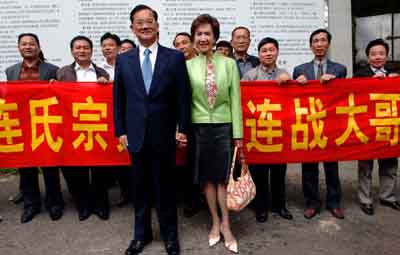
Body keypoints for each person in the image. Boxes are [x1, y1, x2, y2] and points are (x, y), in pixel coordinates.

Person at [113, 5, 191, 255]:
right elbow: (119, 98)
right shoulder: (124, 59)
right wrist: (120, 131)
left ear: (157, 26)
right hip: (135, 135)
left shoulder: (174, 57)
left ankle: (170, 236)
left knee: (165, 188)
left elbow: (183, 97)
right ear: (132, 28)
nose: (144, 26)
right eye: (139, 22)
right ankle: (141, 235)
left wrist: (183, 129)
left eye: (149, 22)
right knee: (140, 188)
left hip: (165, 134)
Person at [186, 14, 242, 253]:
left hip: (223, 127)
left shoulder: (228, 64)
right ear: (193, 38)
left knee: (222, 178)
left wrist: (237, 133)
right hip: (199, 127)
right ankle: (215, 221)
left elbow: (235, 100)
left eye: (207, 33)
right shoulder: (187, 66)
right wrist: (182, 130)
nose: (203, 38)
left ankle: (227, 225)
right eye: (198, 34)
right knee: (207, 179)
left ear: (215, 37)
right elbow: (184, 102)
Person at [5, 33, 64, 223]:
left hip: (45, 122)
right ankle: (31, 204)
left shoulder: (53, 70)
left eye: (32, 44)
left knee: (49, 166)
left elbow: (61, 97)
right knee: (26, 167)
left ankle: (54, 203)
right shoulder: (11, 71)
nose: (28, 47)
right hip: (22, 125)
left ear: (38, 47)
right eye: (24, 44)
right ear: (19, 48)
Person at [293, 28, 346, 220]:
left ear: (328, 44)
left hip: (331, 125)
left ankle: (334, 202)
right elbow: (293, 98)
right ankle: (311, 202)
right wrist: (296, 83)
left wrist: (334, 82)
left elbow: (344, 97)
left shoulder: (339, 69)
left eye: (323, 40)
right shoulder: (300, 70)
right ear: (311, 45)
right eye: (315, 41)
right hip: (309, 125)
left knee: (332, 167)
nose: (319, 44)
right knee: (309, 167)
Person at [57, 35, 110, 221]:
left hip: (96, 127)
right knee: (77, 170)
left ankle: (101, 204)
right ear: (72, 51)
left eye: (85, 47)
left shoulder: (102, 72)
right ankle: (83, 204)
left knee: (99, 169)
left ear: (91, 50)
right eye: (78, 48)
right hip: (73, 128)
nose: (82, 50)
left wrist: (106, 85)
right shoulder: (62, 73)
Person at [242, 37, 293, 223]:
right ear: (259, 54)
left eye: (272, 50)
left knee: (279, 173)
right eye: (264, 50)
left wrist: (290, 82)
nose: (268, 53)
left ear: (277, 52)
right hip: (258, 132)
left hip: (279, 132)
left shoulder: (285, 73)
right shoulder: (250, 75)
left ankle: (280, 205)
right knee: (259, 174)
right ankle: (260, 207)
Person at [354, 38, 400, 215]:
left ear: (387, 56)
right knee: (365, 165)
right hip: (367, 126)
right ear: (368, 56)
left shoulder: (394, 73)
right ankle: (365, 200)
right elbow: (354, 96)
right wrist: (372, 81)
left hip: (388, 126)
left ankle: (387, 196)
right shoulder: (360, 74)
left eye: (381, 53)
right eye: (373, 54)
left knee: (389, 164)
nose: (377, 57)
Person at [173, 32, 201, 218]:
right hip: (180, 120)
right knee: (183, 164)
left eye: (185, 42)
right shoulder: (173, 66)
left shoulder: (203, 64)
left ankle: (202, 198)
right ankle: (188, 200)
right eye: (177, 44)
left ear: (192, 44)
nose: (181, 46)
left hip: (201, 120)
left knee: (200, 161)